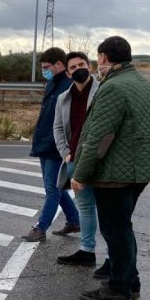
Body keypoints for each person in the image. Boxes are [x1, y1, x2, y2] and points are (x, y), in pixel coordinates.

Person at [71, 36, 150, 300]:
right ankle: (129, 280)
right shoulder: (145, 85)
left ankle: (119, 287)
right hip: (141, 169)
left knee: (116, 230)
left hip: (117, 171)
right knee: (122, 227)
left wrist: (80, 173)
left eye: (98, 58)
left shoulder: (114, 87)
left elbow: (99, 136)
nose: (97, 62)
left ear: (104, 57)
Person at [21, 47, 80, 242]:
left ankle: (40, 228)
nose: (44, 71)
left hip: (57, 147)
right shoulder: (52, 84)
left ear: (59, 64)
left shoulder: (69, 86)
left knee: (52, 189)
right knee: (56, 187)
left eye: (47, 67)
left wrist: (67, 148)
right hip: (45, 144)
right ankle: (74, 221)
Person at [52, 52, 100, 266]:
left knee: (108, 210)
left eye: (82, 64)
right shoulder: (64, 97)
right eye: (73, 67)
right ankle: (87, 251)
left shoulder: (103, 91)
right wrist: (65, 152)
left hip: (100, 160)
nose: (78, 69)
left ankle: (112, 258)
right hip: (74, 161)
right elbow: (58, 127)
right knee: (86, 207)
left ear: (89, 66)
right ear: (69, 73)